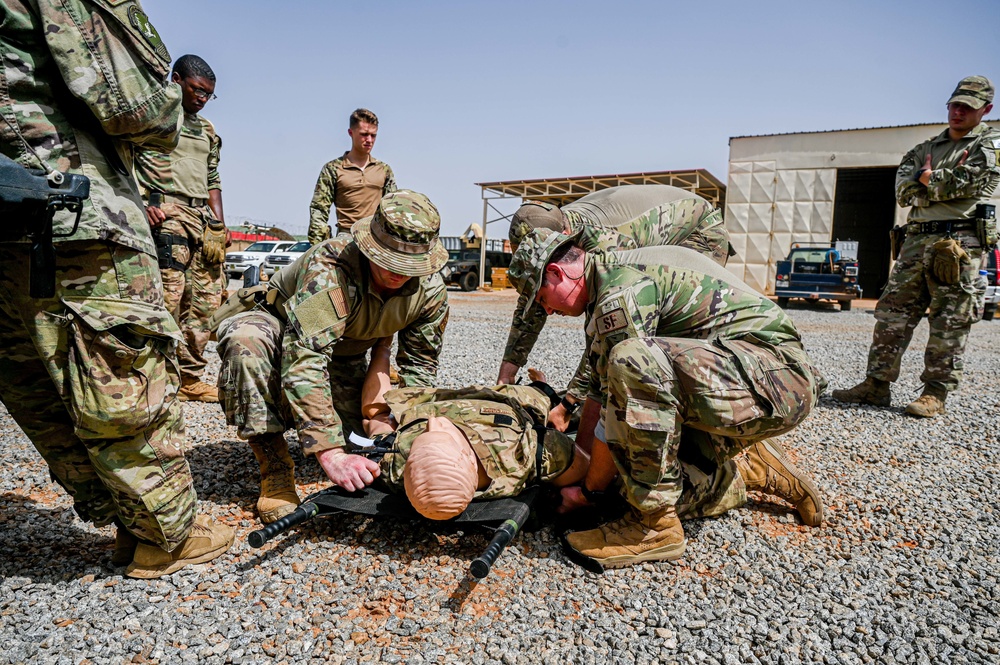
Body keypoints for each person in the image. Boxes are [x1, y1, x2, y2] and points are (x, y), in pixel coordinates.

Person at [0, 0, 232, 578]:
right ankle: (165, 533)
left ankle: (121, 517)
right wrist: (166, 102)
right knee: (124, 377)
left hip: (8, 216)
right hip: (74, 210)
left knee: (39, 376)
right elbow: (137, 106)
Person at [506, 229, 825, 567]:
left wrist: (589, 493)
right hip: (748, 378)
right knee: (624, 483)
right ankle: (745, 468)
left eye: (542, 298)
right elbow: (600, 396)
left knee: (632, 364)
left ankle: (654, 527)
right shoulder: (607, 282)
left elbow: (624, 395)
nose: (548, 310)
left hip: (778, 379)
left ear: (556, 273)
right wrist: (588, 475)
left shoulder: (619, 294)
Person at [354, 338, 820, 535]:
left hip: (532, 404)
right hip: (513, 396)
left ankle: (742, 473)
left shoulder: (519, 457)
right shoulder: (411, 439)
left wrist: (587, 493)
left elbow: (593, 454)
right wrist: (381, 346)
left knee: (623, 495)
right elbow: (375, 407)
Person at [217, 190, 449, 523]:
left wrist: (400, 431)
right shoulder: (332, 268)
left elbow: (419, 367)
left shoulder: (429, 293)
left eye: (408, 265)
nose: (398, 273)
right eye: (388, 259)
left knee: (365, 445)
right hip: (282, 334)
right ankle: (275, 464)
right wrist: (330, 454)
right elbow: (305, 356)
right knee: (246, 343)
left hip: (343, 357)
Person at [499, 185, 731, 438]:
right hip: (666, 223)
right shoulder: (551, 234)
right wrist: (507, 372)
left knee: (652, 333)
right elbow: (531, 301)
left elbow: (607, 334)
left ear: (562, 236)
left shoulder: (604, 246)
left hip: (697, 230)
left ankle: (687, 424)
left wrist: (568, 405)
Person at [833, 76, 1000, 418]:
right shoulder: (924, 148)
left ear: (986, 109)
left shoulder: (991, 143)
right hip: (915, 238)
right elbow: (903, 193)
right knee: (892, 313)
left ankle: (935, 393)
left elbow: (972, 183)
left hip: (959, 242)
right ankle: (876, 385)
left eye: (967, 107)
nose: (958, 112)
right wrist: (937, 182)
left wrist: (927, 178)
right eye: (955, 104)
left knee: (950, 319)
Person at [133, 54, 227, 403]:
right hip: (166, 211)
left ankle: (189, 378)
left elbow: (213, 177)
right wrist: (142, 204)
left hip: (201, 216)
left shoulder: (207, 130)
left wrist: (219, 222)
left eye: (208, 94)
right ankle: (152, 378)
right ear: (176, 80)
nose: (202, 98)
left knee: (206, 302)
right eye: (197, 90)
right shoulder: (151, 119)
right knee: (168, 298)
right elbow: (122, 162)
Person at [307, 108, 397, 244]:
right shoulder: (333, 168)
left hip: (376, 240)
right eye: (364, 134)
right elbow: (319, 208)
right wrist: (319, 244)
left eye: (373, 135)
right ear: (351, 133)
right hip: (346, 240)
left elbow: (392, 208)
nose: (369, 140)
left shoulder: (383, 170)